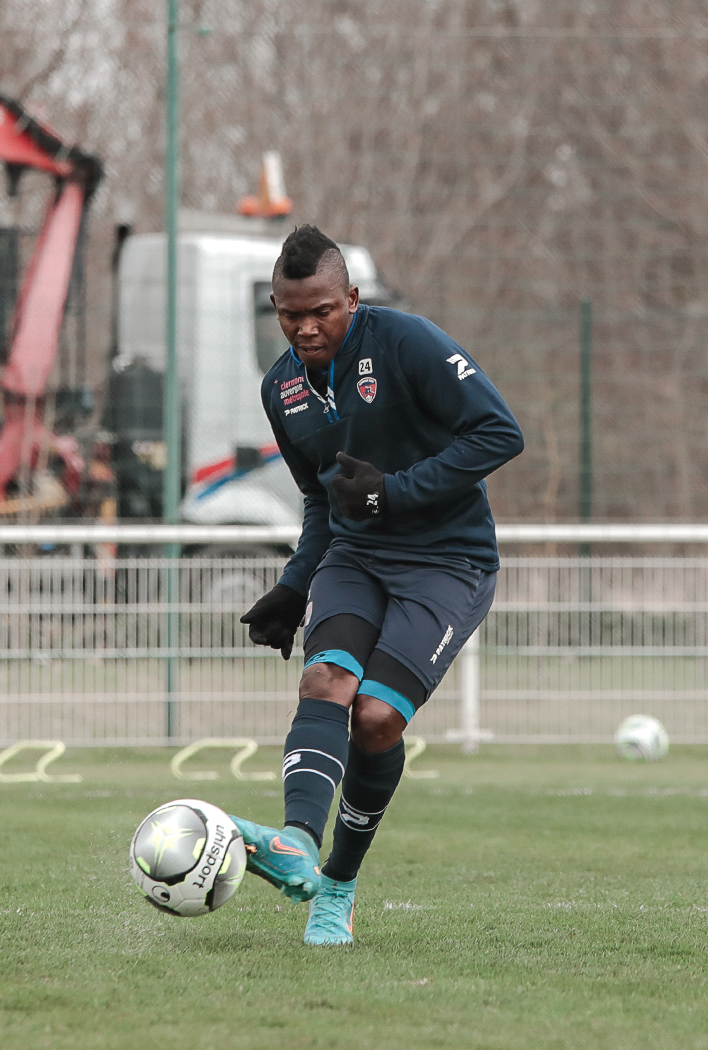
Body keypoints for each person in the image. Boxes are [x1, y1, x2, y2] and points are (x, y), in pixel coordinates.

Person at [230, 223, 524, 946]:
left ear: (352, 299)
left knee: (376, 720)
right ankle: (295, 841)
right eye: (288, 313)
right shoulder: (282, 390)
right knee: (326, 678)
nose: (305, 327)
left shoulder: (406, 342)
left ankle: (339, 882)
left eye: (321, 311)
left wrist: (392, 493)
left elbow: (498, 434)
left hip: (448, 562)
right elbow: (321, 501)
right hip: (355, 559)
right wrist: (295, 585)